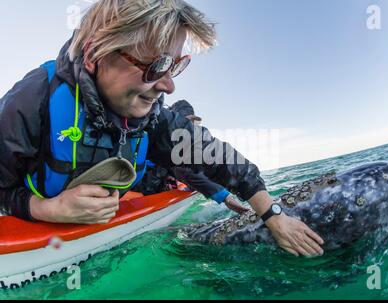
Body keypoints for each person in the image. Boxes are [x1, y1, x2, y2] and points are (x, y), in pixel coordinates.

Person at [0, 0, 323, 257]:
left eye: (175, 65)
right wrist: (45, 208)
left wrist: (274, 215)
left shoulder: (154, 119)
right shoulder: (30, 101)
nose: (168, 86)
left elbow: (219, 158)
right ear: (94, 54)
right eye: (156, 66)